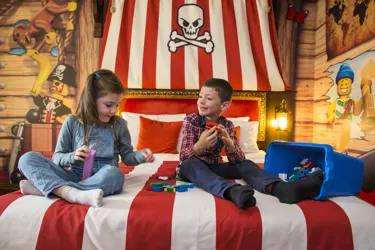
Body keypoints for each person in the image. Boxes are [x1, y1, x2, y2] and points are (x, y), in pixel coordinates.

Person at [179, 78, 324, 209]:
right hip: (192, 168)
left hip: (215, 167)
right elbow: (184, 156)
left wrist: (229, 144)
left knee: (246, 164)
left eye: (208, 98)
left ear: (224, 105)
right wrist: (199, 146)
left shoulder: (227, 125)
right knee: (189, 164)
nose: (201, 102)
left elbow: (238, 160)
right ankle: (232, 191)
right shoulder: (191, 121)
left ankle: (281, 189)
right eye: (200, 96)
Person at [18, 69, 154, 207]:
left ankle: (56, 189)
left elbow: (127, 156)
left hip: (103, 176)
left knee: (115, 174)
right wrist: (72, 156)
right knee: (27, 158)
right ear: (92, 100)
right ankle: (72, 192)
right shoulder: (72, 121)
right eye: (108, 105)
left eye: (117, 105)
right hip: (74, 175)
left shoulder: (119, 125)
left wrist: (140, 156)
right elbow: (57, 158)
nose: (113, 110)